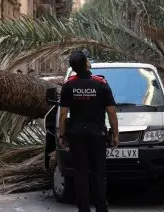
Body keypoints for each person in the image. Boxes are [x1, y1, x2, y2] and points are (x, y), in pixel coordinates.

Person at [58, 50, 119, 212]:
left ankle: (83, 209)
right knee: (99, 173)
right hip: (97, 134)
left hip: (77, 134)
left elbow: (63, 113)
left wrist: (62, 135)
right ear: (86, 64)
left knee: (81, 174)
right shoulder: (101, 84)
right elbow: (111, 112)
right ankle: (101, 208)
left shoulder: (69, 85)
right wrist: (116, 135)